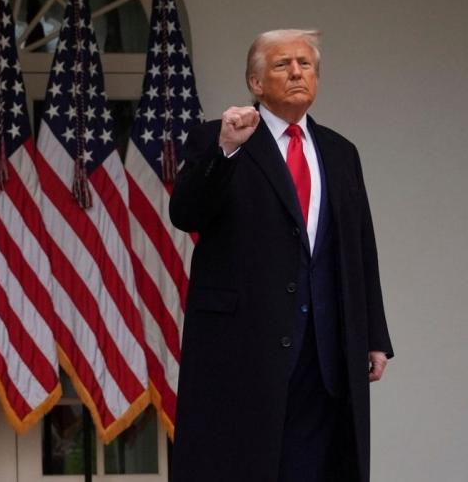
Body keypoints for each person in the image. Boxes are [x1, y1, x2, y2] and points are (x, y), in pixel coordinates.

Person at [169, 29, 394, 482]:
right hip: (243, 346)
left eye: (305, 64)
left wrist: (373, 335)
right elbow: (185, 213)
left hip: (324, 348)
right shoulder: (219, 138)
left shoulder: (340, 152)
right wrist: (226, 150)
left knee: (315, 467)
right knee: (241, 465)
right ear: (255, 83)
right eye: (282, 65)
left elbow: (359, 246)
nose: (296, 73)